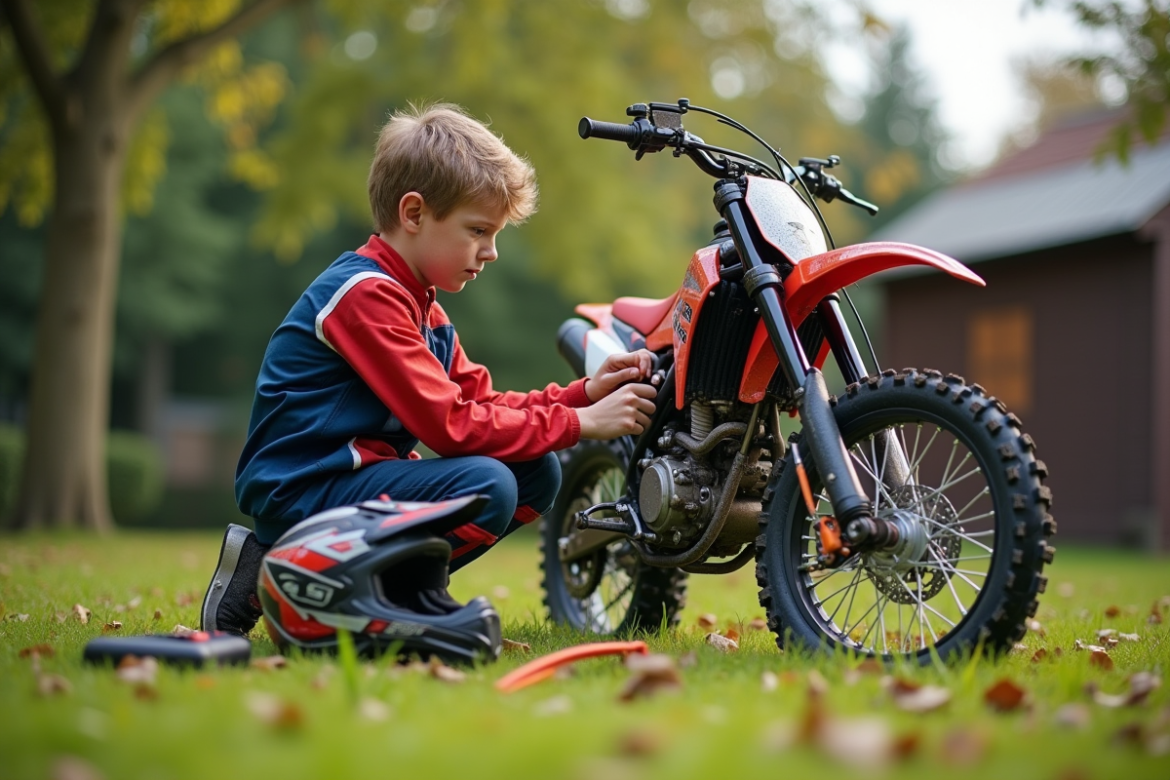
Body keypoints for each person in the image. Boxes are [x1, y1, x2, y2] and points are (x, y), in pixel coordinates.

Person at [201, 103, 658, 636]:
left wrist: (581, 394)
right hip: (304, 491)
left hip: (351, 490)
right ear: (414, 214)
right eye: (478, 230)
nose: (490, 252)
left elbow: (481, 404)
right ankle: (313, 584)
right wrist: (584, 424)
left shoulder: (424, 308)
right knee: (487, 482)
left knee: (535, 471)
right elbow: (451, 426)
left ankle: (386, 598)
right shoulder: (365, 297)